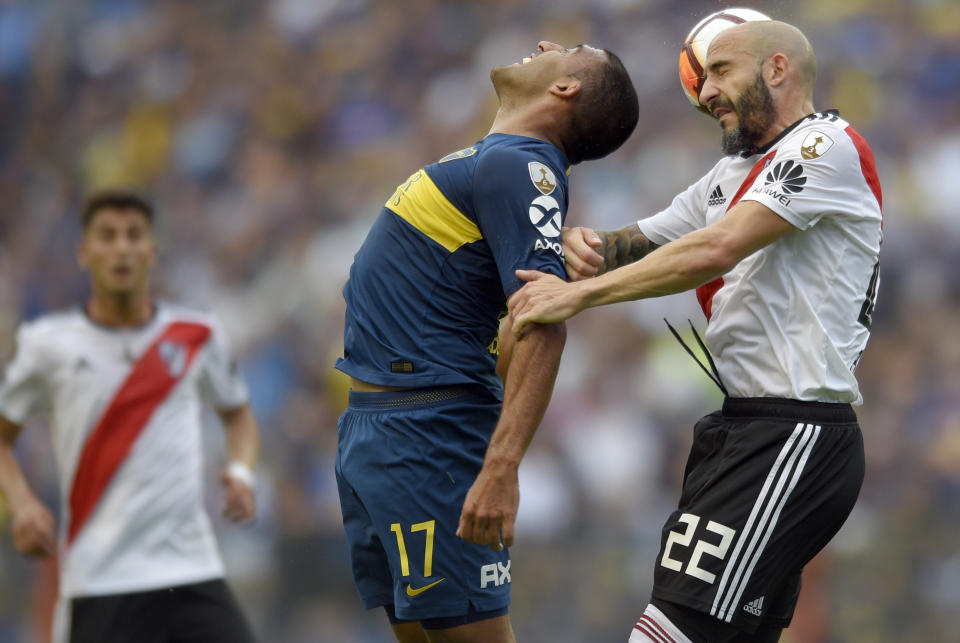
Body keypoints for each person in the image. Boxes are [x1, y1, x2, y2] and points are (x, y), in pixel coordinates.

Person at [510, 20, 881, 643]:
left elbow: (714, 249)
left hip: (792, 433)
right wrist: (578, 244)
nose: (704, 92)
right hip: (744, 430)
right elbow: (634, 243)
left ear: (778, 69)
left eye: (720, 72)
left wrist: (575, 296)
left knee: (665, 633)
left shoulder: (826, 146)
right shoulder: (730, 176)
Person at [334, 41, 638, 642]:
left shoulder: (521, 165)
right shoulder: (497, 163)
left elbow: (544, 324)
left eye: (571, 49)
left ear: (566, 88)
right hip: (380, 425)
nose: (547, 44)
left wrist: (500, 465)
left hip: (428, 431)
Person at [0, 190, 261, 643]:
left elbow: (238, 414)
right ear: (84, 253)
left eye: (133, 235)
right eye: (107, 236)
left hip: (190, 570)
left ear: (151, 252)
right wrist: (21, 504)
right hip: (99, 581)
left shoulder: (196, 335)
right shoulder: (48, 345)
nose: (121, 247)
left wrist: (241, 471)